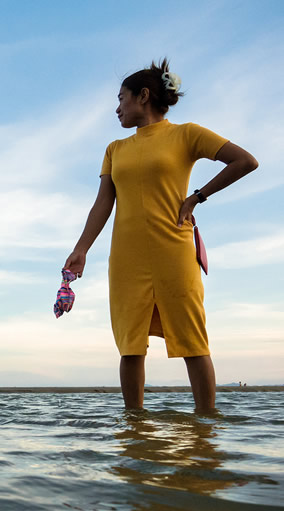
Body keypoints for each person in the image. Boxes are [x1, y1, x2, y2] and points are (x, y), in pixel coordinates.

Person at [63, 59, 258, 414]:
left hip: (174, 249)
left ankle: (206, 427)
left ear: (144, 96)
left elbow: (245, 161)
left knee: (192, 339)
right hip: (125, 258)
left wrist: (197, 196)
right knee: (130, 345)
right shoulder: (114, 149)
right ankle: (134, 427)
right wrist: (81, 249)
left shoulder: (187, 134)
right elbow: (102, 203)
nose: (117, 108)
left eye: (121, 98)